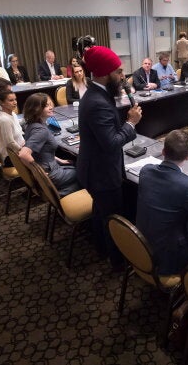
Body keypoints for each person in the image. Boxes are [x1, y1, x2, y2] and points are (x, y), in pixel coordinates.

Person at [77, 45, 141, 266]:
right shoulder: (97, 103)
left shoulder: (97, 93)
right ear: (104, 74)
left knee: (101, 211)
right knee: (112, 217)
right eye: (119, 72)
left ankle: (102, 249)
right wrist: (130, 123)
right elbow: (111, 143)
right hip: (101, 173)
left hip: (94, 168)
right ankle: (117, 261)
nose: (123, 77)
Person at [135, 130, 188, 276]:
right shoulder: (187, 187)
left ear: (163, 151)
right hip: (169, 258)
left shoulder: (146, 171)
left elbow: (169, 184)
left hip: (141, 245)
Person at [19, 93, 80, 196]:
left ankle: (58, 195)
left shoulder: (31, 124)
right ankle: (59, 195)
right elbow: (23, 154)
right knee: (89, 172)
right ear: (36, 109)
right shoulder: (40, 131)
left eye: (50, 104)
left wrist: (59, 160)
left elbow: (42, 151)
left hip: (51, 167)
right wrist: (39, 173)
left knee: (76, 165)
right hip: (51, 174)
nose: (51, 107)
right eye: (46, 106)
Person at [0, 90, 24, 167]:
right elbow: (10, 143)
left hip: (19, 149)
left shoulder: (13, 114)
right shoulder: (4, 120)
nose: (15, 102)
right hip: (11, 157)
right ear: (1, 103)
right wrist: (24, 150)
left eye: (15, 99)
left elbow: (19, 133)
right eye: (11, 100)